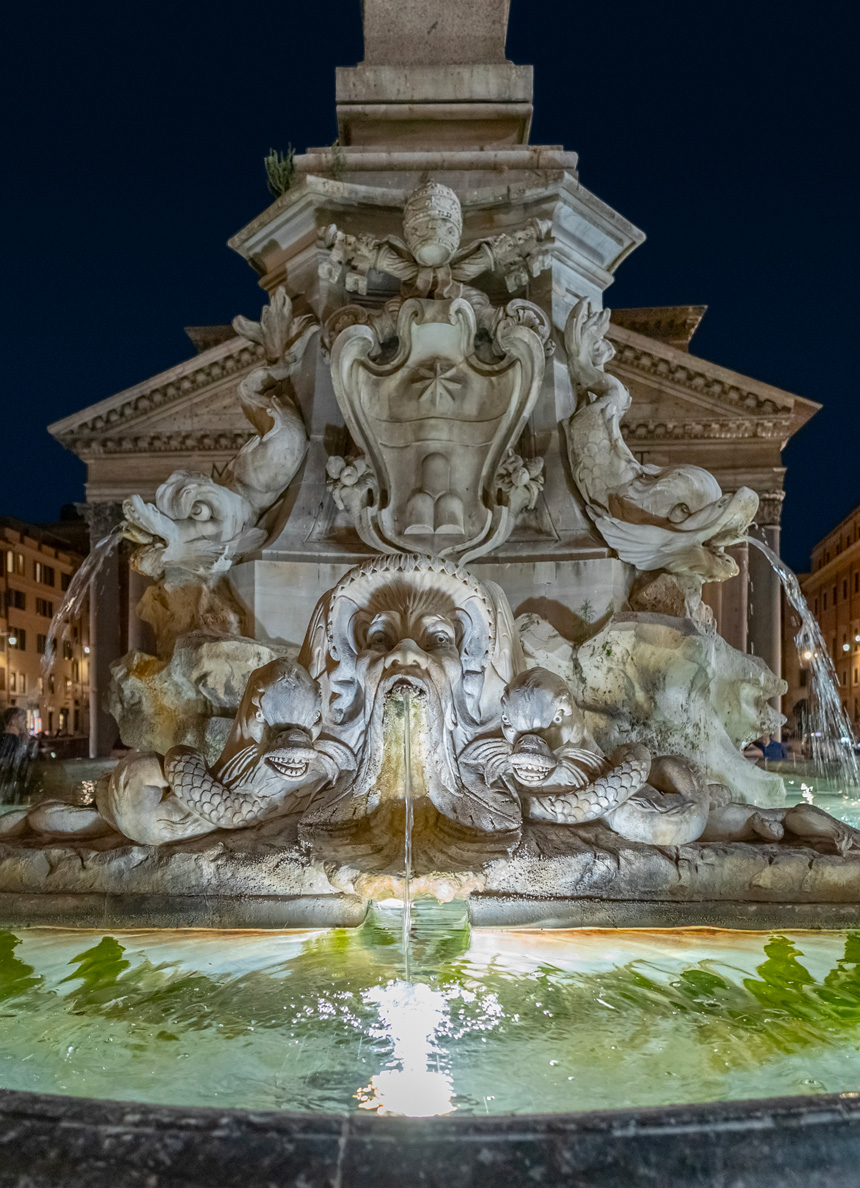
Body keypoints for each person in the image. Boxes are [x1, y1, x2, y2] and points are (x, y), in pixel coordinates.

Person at [0, 708, 36, 803]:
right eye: (23, 718)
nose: (26, 721)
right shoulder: (12, 741)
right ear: (13, 720)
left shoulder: (5, 739)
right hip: (11, 793)